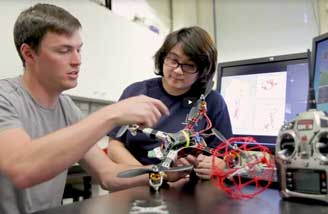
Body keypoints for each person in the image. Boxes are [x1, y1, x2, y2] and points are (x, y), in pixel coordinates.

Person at [0, 3, 175, 214]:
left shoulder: (67, 107)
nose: (77, 61)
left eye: (78, 49)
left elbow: (108, 174)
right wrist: (112, 114)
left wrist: (166, 171)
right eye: (64, 51)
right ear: (28, 53)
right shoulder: (5, 98)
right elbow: (22, 169)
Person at [107, 26, 233, 181]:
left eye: (189, 65)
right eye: (173, 60)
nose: (178, 70)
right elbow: (114, 145)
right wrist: (151, 174)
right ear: (163, 57)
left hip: (187, 190)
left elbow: (226, 156)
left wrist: (217, 165)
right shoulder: (136, 92)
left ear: (203, 70)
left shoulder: (212, 102)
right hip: (136, 183)